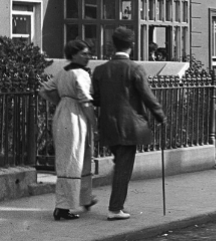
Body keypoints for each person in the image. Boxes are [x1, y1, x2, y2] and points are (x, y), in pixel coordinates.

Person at [92, 26, 165, 221]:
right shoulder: (135, 69)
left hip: (108, 125)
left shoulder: (100, 70)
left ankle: (116, 205)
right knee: (123, 167)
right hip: (129, 126)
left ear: (113, 45)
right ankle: (115, 208)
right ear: (131, 46)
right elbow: (147, 96)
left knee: (120, 164)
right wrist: (160, 116)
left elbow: (96, 99)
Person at [40, 39, 97, 221]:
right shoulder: (80, 74)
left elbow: (45, 89)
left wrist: (61, 101)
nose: (88, 57)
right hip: (75, 116)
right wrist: (94, 122)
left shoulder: (63, 72)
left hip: (63, 113)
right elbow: (86, 101)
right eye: (84, 54)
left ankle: (83, 197)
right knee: (72, 158)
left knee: (77, 156)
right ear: (74, 55)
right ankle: (63, 206)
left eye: (88, 53)